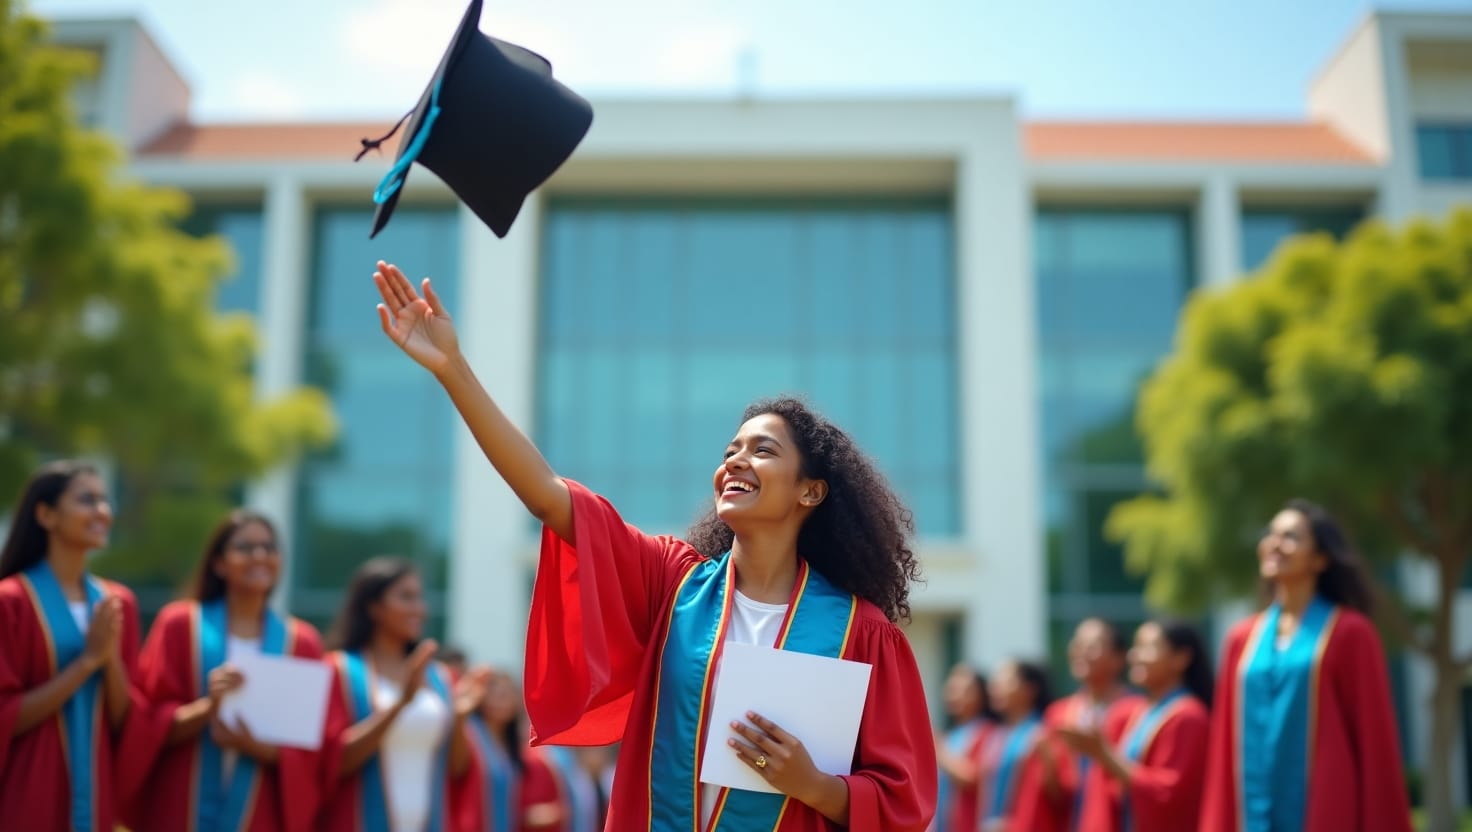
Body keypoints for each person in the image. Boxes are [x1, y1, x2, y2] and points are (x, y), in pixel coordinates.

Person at [371, 261, 937, 831]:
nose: (735, 462)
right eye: (730, 452)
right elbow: (547, 496)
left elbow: (904, 803)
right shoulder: (674, 585)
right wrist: (453, 369)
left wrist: (812, 785)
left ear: (810, 491)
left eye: (762, 451)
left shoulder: (861, 634)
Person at [1199, 500, 1412, 832]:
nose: (1274, 544)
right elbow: (1224, 750)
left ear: (1320, 559)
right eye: (1270, 534)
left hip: (1325, 814)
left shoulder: (1349, 632)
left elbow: (1374, 743)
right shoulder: (1241, 640)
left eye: (1290, 537)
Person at [129, 510, 329, 832]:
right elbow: (145, 722)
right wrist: (209, 707)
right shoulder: (181, 625)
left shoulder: (302, 642)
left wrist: (255, 747)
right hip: (183, 803)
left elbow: (311, 754)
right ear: (219, 564)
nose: (260, 556)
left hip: (260, 810)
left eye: (269, 547)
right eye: (245, 548)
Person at [0, 460, 151, 831]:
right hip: (28, 790)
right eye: (87, 500)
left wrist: (108, 659)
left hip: (96, 793)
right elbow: (6, 715)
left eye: (105, 500)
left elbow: (123, 718)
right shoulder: (11, 601)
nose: (102, 511)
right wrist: (87, 662)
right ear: (46, 515)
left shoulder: (117, 603)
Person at [319, 556, 487, 832]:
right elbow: (335, 761)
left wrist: (459, 719)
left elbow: (456, 770)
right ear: (374, 607)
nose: (419, 609)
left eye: (419, 598)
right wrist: (401, 703)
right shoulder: (340, 670)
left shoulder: (440, 678)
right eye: (406, 597)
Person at [1057, 619, 1211, 832]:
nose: (1134, 656)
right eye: (1136, 647)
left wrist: (1104, 754)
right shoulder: (1144, 712)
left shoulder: (1188, 716)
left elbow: (1168, 794)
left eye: (1147, 648)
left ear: (1181, 658)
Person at [1013, 618, 1133, 832]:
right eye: (1077, 644)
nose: (1081, 652)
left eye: (1092, 646)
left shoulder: (1134, 711)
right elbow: (1056, 796)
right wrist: (1047, 760)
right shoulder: (1059, 714)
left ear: (1118, 658)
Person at [973, 660, 1052, 832]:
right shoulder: (995, 736)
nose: (995, 688)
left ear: (1030, 689)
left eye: (1006, 681)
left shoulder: (1041, 734)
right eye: (995, 683)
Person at [462, 666, 527, 832]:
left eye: (507, 694)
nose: (502, 700)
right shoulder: (469, 734)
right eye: (496, 694)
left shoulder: (511, 745)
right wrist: (459, 716)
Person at [931, 663, 993, 832]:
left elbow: (972, 777)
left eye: (963, 690)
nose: (954, 695)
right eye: (952, 689)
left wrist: (938, 750)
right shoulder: (951, 736)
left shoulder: (987, 732)